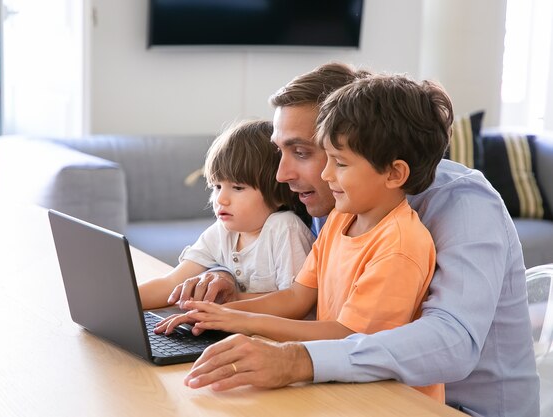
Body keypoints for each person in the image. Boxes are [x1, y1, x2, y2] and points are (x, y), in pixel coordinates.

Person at [173, 63, 539, 417]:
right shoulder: (338, 204)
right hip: (356, 392)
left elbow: (452, 342)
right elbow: (293, 278)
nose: (281, 174)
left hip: (455, 408)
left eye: (303, 152)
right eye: (279, 152)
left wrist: (297, 359)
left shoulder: (462, 204)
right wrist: (224, 279)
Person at [155, 74, 450, 401]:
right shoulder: (340, 218)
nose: (326, 174)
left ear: (395, 173)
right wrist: (224, 312)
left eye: (340, 163)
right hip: (339, 384)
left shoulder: (400, 245)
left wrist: (242, 319)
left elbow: (345, 336)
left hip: (389, 400)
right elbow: (297, 297)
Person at [138, 119, 314, 310]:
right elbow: (170, 284)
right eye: (217, 186)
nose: (221, 199)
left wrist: (227, 303)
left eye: (238, 187)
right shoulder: (221, 232)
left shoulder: (284, 228)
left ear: (278, 192)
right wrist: (119, 305)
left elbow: (293, 303)